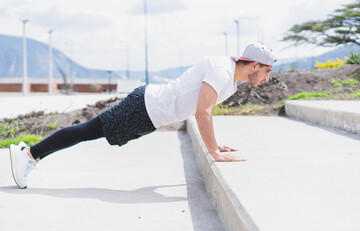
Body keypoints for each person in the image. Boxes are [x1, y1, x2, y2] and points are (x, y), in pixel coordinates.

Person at [9, 42, 276, 189]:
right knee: (87, 131)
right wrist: (215, 152)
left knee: (89, 132)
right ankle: (29, 154)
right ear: (254, 65)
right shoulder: (220, 71)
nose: (266, 78)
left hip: (150, 111)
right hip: (146, 107)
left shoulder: (230, 79)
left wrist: (215, 145)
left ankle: (30, 152)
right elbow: (202, 113)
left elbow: (201, 110)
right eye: (266, 72)